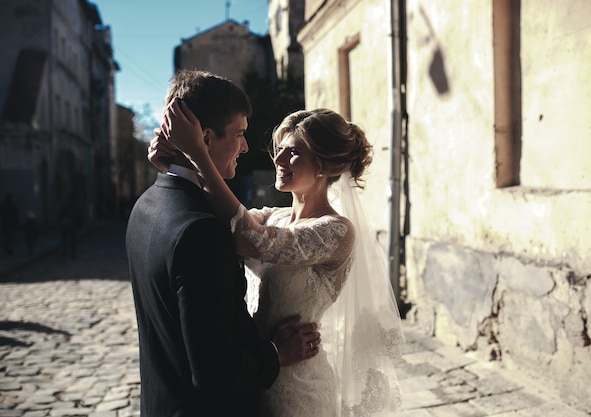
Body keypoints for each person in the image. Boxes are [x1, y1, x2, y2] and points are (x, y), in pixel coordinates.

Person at [150, 98, 404, 416]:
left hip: (299, 387)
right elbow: (225, 222)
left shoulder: (337, 230)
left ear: (323, 165)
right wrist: (174, 168)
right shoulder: (274, 217)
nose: (278, 159)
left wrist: (199, 155)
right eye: (280, 149)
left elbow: (250, 238)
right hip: (256, 372)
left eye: (293, 152)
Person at [126, 70, 320, 417]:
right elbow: (216, 373)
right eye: (240, 133)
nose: (246, 147)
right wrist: (278, 352)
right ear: (204, 138)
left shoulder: (145, 205)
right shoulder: (202, 230)